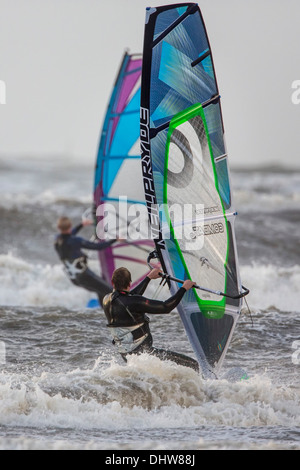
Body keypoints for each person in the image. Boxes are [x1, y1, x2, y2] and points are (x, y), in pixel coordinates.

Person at [103, 266, 199, 372]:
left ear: (113, 283)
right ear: (129, 283)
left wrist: (148, 277)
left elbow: (129, 297)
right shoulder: (133, 302)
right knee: (192, 364)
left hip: (127, 355)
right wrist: (184, 288)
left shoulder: (107, 299)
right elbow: (166, 307)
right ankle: (206, 387)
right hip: (144, 354)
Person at [54, 216, 116, 307]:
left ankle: (104, 310)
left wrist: (81, 225)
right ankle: (117, 313)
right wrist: (115, 240)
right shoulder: (76, 241)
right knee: (110, 290)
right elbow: (97, 247)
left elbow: (68, 236)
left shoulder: (57, 240)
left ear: (58, 228)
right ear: (70, 226)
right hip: (85, 276)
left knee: (99, 289)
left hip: (74, 279)